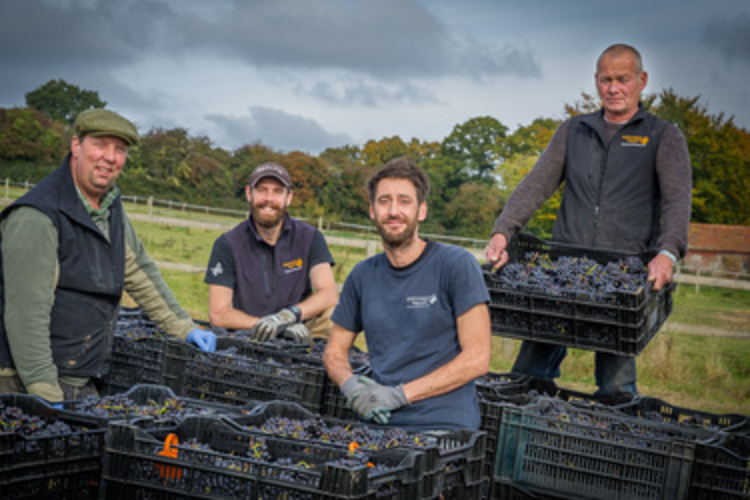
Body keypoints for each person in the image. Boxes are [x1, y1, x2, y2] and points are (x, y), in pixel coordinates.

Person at [485, 43, 692, 400]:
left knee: (616, 388)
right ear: (596, 82)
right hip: (563, 272)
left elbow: (677, 202)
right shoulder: (574, 130)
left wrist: (668, 253)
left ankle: (608, 442)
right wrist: (503, 231)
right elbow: (535, 184)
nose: (613, 88)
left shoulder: (663, 136)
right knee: (527, 377)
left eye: (622, 79)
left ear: (641, 81)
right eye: (605, 80)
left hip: (623, 280)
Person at [0, 109, 216, 404]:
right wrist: (44, 391)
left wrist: (183, 326)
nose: (110, 157)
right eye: (100, 145)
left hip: (76, 374)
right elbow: (27, 314)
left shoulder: (111, 206)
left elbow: (139, 271)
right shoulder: (38, 216)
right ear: (76, 146)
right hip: (15, 380)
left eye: (119, 150)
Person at [323, 157, 491, 431]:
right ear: (372, 211)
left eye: (404, 201)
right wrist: (351, 386)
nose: (393, 211)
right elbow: (334, 351)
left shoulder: (456, 265)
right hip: (379, 422)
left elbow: (478, 358)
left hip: (443, 425)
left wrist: (399, 395)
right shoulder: (362, 276)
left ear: (421, 211)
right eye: (384, 201)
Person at [205, 162, 338, 344]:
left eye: (277, 191)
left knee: (336, 313)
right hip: (250, 335)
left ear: (288, 197)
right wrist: (269, 326)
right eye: (262, 190)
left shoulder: (310, 237)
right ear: (248, 193)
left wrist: (288, 317)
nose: (269, 198)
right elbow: (218, 314)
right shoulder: (227, 244)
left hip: (302, 332)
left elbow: (329, 293)